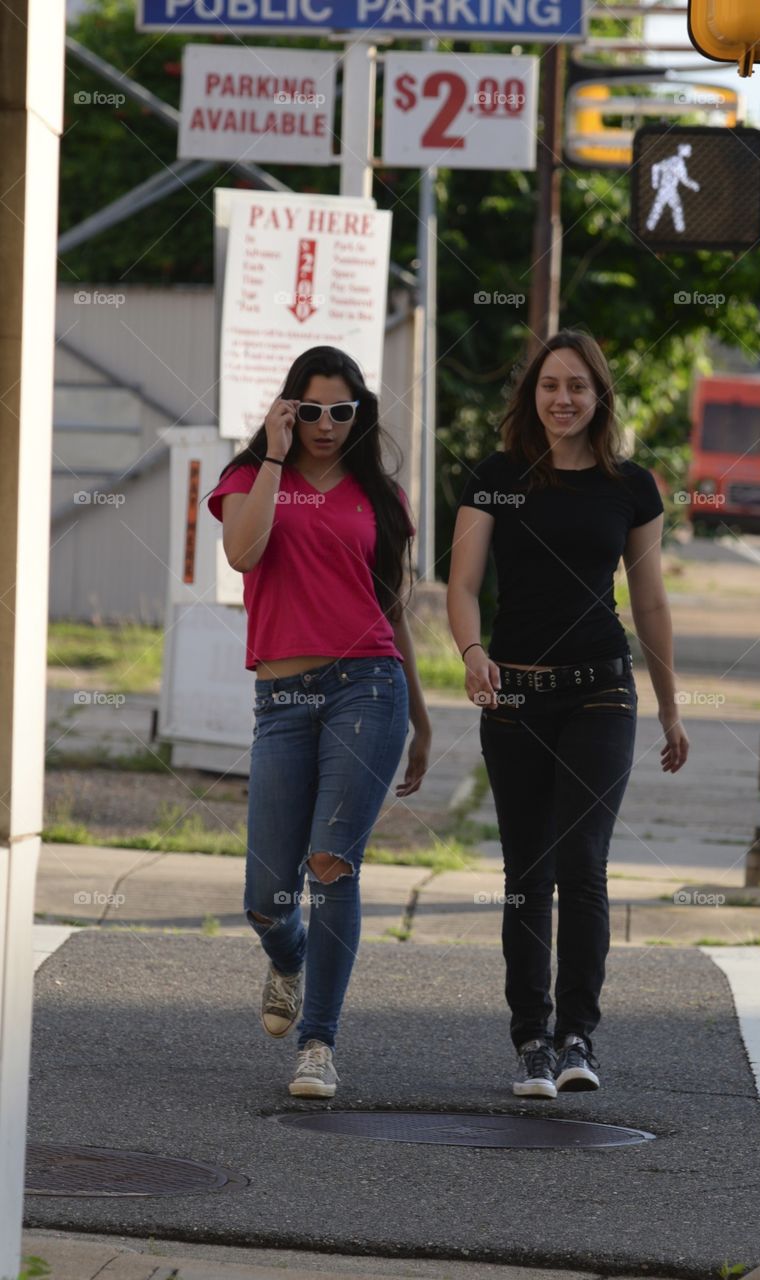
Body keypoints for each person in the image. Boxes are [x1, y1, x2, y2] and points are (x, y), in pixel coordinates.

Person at [446, 329, 689, 1100]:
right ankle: (530, 1042)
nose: (563, 399)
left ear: (598, 397)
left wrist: (671, 708)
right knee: (527, 871)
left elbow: (649, 603)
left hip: (599, 691)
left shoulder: (630, 488)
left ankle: (577, 1034)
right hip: (513, 693)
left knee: (582, 865)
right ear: (532, 394)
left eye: (578, 387)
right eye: (551, 385)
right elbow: (461, 584)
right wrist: (471, 651)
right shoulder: (494, 478)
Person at [207, 345, 430, 1098]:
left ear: (358, 414)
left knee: (332, 864)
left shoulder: (381, 496)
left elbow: (390, 611)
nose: (327, 426)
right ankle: (286, 957)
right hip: (283, 700)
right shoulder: (248, 478)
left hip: (367, 686)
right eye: (310, 411)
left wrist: (422, 717)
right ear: (287, 409)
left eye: (342, 411)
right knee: (267, 896)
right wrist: (274, 457)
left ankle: (319, 1044)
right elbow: (243, 553)